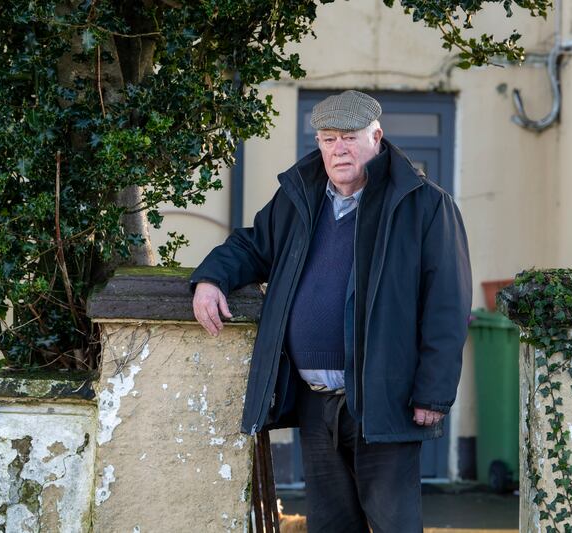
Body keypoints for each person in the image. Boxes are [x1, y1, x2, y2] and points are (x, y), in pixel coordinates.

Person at [191, 90, 472, 533]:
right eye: (328, 138)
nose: (338, 148)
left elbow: (447, 304)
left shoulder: (424, 204)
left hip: (384, 400)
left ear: (376, 137)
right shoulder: (299, 197)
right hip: (315, 402)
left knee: (394, 524)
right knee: (330, 525)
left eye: (349, 137)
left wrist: (433, 394)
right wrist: (210, 279)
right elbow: (253, 245)